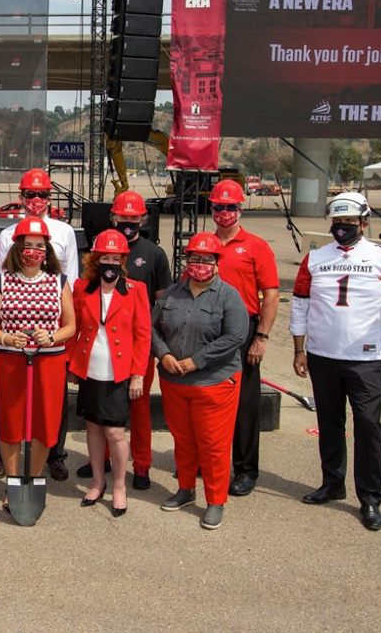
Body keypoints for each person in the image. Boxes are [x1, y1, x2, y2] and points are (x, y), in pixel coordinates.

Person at [291, 192, 381, 532]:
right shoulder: (315, 258)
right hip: (322, 355)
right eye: (336, 223)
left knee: (368, 426)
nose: (342, 229)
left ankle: (370, 499)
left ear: (363, 223)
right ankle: (333, 483)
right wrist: (298, 349)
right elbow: (300, 304)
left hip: (366, 359)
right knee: (330, 424)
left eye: (348, 223)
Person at [153, 232, 248, 530]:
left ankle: (215, 500)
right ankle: (185, 489)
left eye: (207, 260)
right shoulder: (171, 293)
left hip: (215, 383)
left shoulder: (228, 296)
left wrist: (197, 360)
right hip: (174, 382)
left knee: (213, 445)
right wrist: (163, 354)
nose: (200, 264)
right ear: (187, 261)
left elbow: (235, 336)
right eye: (195, 259)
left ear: (217, 263)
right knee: (183, 440)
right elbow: (152, 328)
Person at [0, 168, 79, 481]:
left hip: (49, 354)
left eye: (41, 194)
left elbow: (73, 293)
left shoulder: (65, 234)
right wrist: (0, 337)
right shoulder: (5, 240)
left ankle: (46, 466)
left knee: (47, 417)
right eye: (31, 194)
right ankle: (10, 476)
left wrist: (53, 336)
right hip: (13, 352)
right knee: (9, 417)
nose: (34, 252)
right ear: (21, 197)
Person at [77, 190, 171, 490]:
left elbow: (161, 304)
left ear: (143, 218)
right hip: (102, 352)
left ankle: (141, 464)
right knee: (101, 414)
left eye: (134, 217)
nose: (128, 222)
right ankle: (102, 461)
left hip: (138, 348)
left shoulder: (154, 254)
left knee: (139, 410)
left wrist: (153, 348)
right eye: (123, 217)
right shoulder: (99, 249)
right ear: (113, 217)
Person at [67, 229, 151, 517]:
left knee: (115, 431)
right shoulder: (82, 288)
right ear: (96, 260)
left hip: (120, 373)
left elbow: (143, 336)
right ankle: (97, 482)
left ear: (123, 261)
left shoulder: (136, 291)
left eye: (116, 259)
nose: (110, 265)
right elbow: (73, 328)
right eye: (105, 258)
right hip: (90, 368)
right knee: (92, 427)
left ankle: (118, 486)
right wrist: (70, 364)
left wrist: (138, 374)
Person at [207, 179, 280, 498]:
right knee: (208, 397)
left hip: (245, 328)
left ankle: (246, 469)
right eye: (219, 207)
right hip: (209, 329)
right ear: (212, 209)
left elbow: (272, 294)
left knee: (245, 402)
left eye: (230, 207)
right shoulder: (204, 243)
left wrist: (261, 337)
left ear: (241, 209)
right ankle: (209, 461)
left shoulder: (256, 246)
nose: (225, 213)